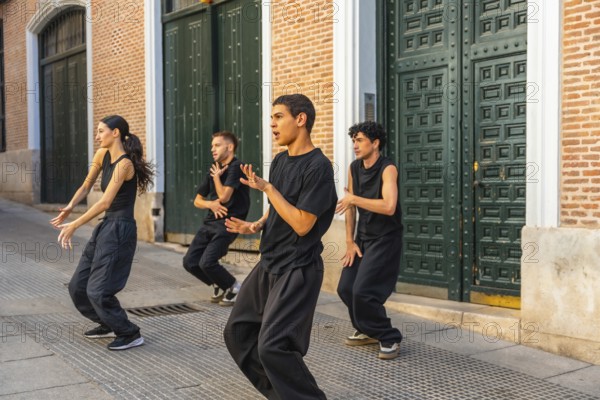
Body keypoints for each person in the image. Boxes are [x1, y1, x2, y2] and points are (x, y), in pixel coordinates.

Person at [223, 94, 336, 399]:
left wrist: (268, 189)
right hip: (270, 261)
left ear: (301, 120)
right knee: (238, 333)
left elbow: (302, 223)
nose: (271, 123)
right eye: (271, 118)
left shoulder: (319, 168)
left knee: (273, 345)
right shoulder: (280, 160)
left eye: (278, 116)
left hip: (298, 267)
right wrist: (257, 224)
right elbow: (280, 207)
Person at [50, 115, 154, 351]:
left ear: (115, 133)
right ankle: (107, 322)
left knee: (98, 290)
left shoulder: (125, 164)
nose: (97, 136)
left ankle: (130, 333)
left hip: (120, 229)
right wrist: (70, 206)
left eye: (100, 131)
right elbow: (87, 185)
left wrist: (75, 224)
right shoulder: (102, 155)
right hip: (106, 227)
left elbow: (105, 202)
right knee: (78, 286)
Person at [335, 121, 404, 360]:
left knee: (363, 291)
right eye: (353, 140)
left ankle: (389, 336)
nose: (355, 144)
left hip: (385, 238)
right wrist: (349, 242)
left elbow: (388, 206)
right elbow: (350, 208)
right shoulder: (354, 167)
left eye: (360, 139)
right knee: (345, 288)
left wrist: (353, 199)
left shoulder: (388, 168)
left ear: (375, 143)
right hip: (362, 238)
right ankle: (367, 329)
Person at [182, 131, 249, 305]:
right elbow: (197, 200)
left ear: (230, 147)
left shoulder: (236, 167)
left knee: (207, 262)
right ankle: (217, 283)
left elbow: (224, 196)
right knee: (190, 262)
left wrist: (217, 178)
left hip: (228, 223)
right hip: (210, 222)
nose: (212, 149)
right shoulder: (214, 168)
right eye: (212, 146)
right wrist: (210, 204)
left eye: (217, 145)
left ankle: (235, 287)